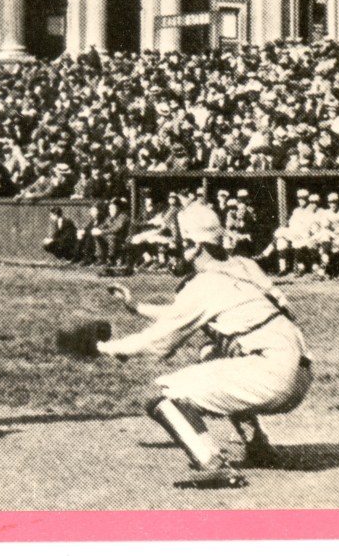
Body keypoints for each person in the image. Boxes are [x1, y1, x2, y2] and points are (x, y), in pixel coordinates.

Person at [94, 189, 313, 488]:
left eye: (178, 242)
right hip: (300, 371)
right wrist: (137, 307)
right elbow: (192, 312)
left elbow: (159, 341)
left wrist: (105, 348)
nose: (173, 247)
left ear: (195, 246)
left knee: (161, 394)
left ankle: (212, 462)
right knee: (212, 353)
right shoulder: (242, 266)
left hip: (272, 375)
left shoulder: (202, 284)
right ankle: (259, 447)